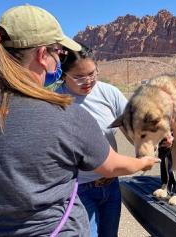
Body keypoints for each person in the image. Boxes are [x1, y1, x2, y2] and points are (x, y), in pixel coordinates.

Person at [0, 5, 159, 237]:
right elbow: (111, 166)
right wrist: (144, 162)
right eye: (58, 52)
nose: (58, 61)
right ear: (43, 55)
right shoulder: (66, 114)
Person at [54, 44, 128, 237]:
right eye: (79, 77)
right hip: (78, 191)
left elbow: (132, 127)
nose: (88, 81)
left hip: (111, 186)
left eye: (92, 73)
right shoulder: (55, 101)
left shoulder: (109, 93)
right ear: (63, 75)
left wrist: (154, 139)